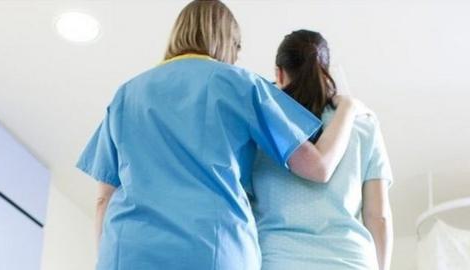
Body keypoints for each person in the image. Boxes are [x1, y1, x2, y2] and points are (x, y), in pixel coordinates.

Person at [76, 2, 360, 269]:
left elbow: (104, 199)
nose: (235, 57)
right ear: (227, 41)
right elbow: (318, 167)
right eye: (237, 48)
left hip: (129, 251)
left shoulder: (127, 94)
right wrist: (347, 108)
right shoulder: (240, 83)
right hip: (215, 249)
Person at [250, 30, 394, 270]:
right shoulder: (364, 125)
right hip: (350, 261)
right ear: (325, 72)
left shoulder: (261, 128)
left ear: (279, 73)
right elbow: (378, 216)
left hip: (281, 260)